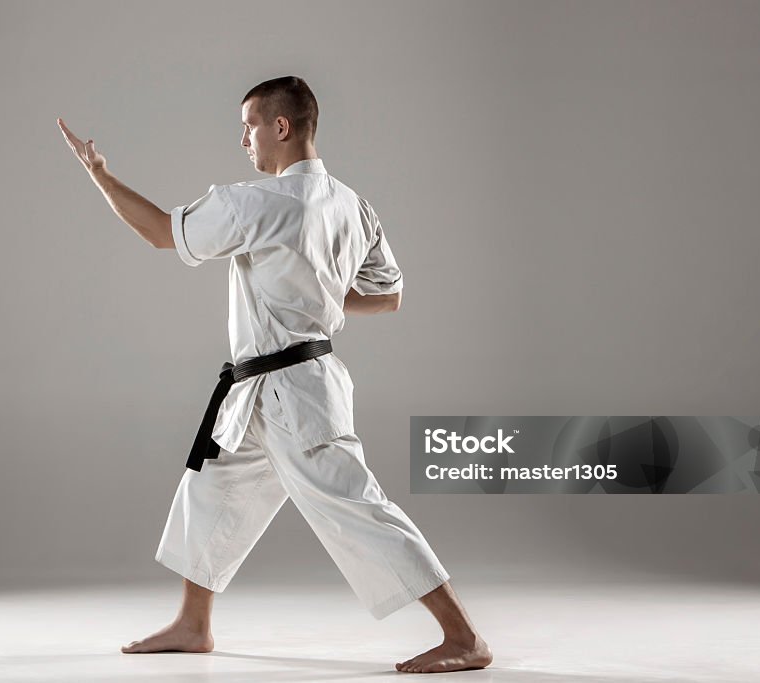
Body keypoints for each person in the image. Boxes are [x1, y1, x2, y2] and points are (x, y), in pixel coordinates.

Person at [57, 76, 493, 674]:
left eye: (250, 126)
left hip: (294, 395)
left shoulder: (256, 203)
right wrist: (324, 299)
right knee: (209, 491)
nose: (244, 139)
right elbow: (387, 296)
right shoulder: (351, 205)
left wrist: (100, 176)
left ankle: (464, 636)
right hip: (266, 390)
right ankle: (193, 625)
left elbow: (163, 232)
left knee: (358, 509)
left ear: (281, 126)